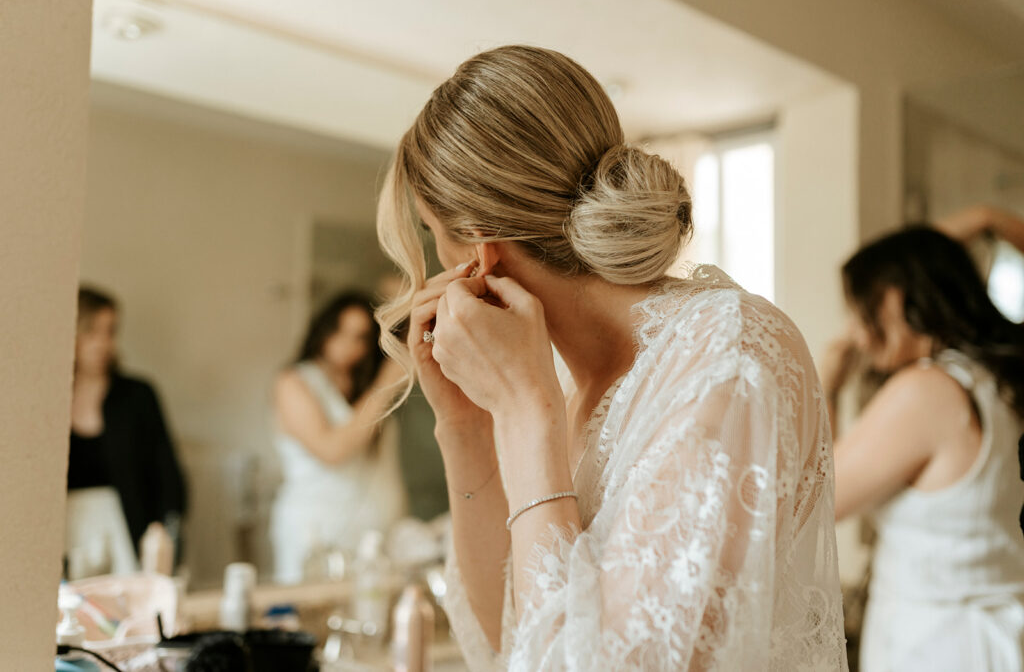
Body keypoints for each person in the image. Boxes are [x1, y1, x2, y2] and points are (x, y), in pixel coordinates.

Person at [374, 45, 847, 670]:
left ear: (479, 254)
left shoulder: (724, 352)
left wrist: (524, 414)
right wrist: (465, 427)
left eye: (434, 236)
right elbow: (507, 643)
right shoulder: (573, 397)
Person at [825, 226, 1024, 671]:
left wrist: (827, 389)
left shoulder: (928, 391)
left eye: (860, 311)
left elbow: (822, 496)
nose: (856, 334)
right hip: (988, 636)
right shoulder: (992, 380)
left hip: (941, 645)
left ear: (894, 300)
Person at [270, 292, 406, 584]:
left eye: (359, 337)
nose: (347, 345)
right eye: (340, 331)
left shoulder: (365, 385)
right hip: (315, 534)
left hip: (375, 538)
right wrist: (388, 383)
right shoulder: (294, 382)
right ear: (323, 329)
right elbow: (331, 450)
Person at [67, 287, 187, 579]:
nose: (103, 343)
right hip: (66, 530)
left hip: (124, 527)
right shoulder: (48, 400)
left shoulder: (137, 395)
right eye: (92, 332)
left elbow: (167, 472)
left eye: (110, 332)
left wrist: (163, 530)